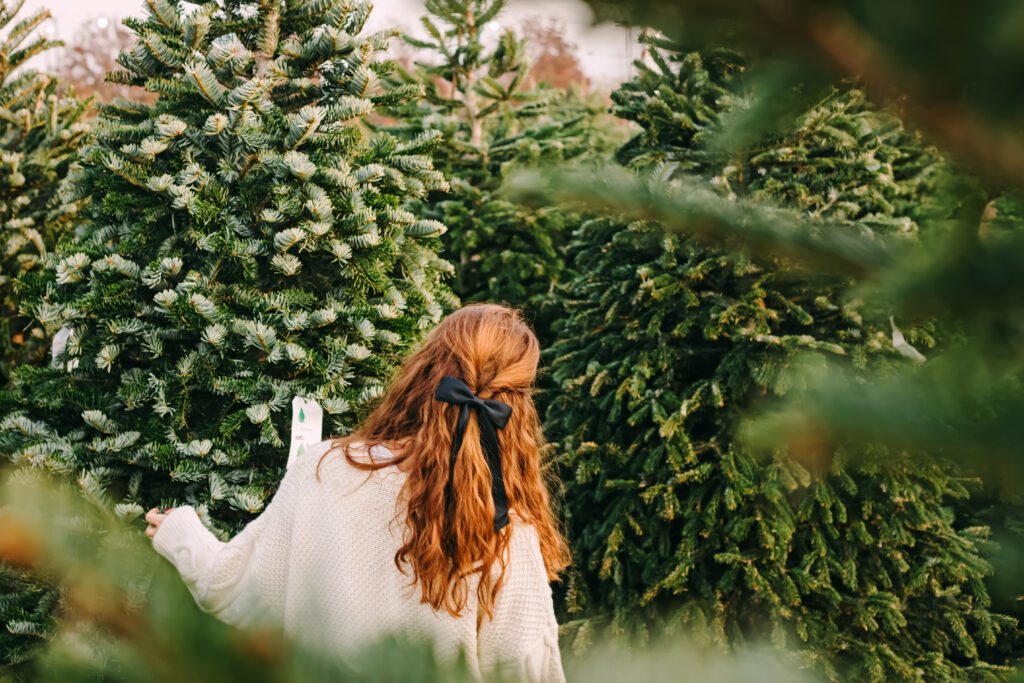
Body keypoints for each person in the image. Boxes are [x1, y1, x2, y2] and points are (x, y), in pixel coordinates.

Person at [145, 304, 571, 682]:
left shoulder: (324, 468)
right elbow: (525, 670)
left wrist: (181, 534)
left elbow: (237, 587)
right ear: (516, 408)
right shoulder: (504, 528)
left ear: (424, 371)